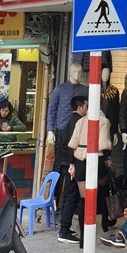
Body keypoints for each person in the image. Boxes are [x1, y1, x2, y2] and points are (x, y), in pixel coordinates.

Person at [68, 102, 113, 238]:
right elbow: (104, 144)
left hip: (80, 161)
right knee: (104, 191)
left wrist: (72, 163)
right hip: (95, 160)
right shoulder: (104, 121)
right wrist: (108, 158)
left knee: (84, 200)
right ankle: (105, 221)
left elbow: (73, 144)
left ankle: (83, 237)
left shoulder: (81, 121)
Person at [56, 95, 87, 245]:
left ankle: (65, 228)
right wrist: (72, 165)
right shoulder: (77, 122)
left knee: (71, 195)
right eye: (86, 106)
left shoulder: (72, 121)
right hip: (72, 166)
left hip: (69, 164)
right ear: (80, 107)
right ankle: (64, 230)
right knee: (70, 196)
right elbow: (71, 145)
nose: (87, 109)